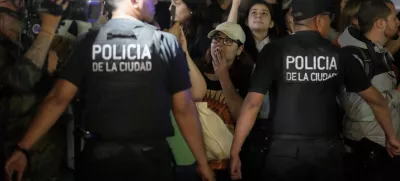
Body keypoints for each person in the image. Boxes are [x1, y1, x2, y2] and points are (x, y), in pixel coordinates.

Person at [4, 0, 215, 180]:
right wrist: (203, 163)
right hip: (151, 162)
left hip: (99, 162)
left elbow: (58, 99)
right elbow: (184, 108)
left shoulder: (88, 42)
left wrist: (23, 148)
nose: (157, 2)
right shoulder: (166, 43)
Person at [230, 0, 400, 181]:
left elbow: (252, 104)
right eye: (328, 18)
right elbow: (376, 100)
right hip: (326, 152)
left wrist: (235, 150)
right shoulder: (339, 55)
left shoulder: (273, 51)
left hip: (282, 152)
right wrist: (391, 136)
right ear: (319, 21)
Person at [0, 0, 70, 180]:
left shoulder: (22, 39)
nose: (21, 6)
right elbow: (21, 80)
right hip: (13, 156)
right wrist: (47, 30)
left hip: (44, 157)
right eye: (13, 3)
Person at [338, 0, 400, 180]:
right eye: (394, 17)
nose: (398, 22)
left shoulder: (383, 54)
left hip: (387, 147)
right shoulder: (354, 56)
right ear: (380, 23)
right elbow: (357, 109)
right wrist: (397, 94)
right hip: (368, 151)